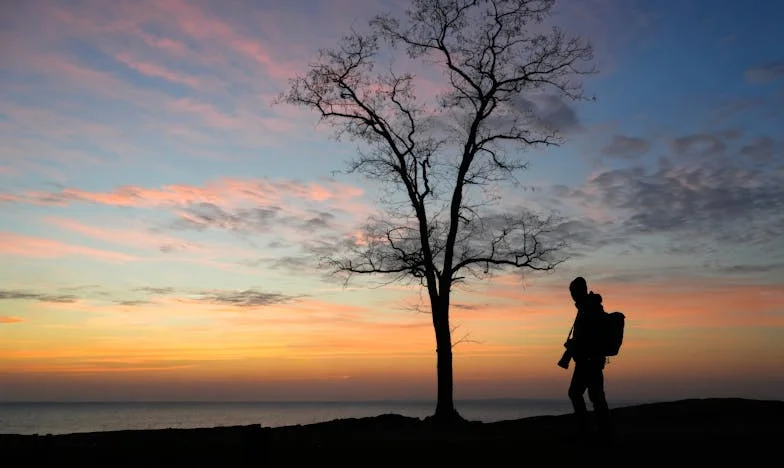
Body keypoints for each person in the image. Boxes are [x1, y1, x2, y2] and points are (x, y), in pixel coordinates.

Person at [563, 276, 612, 438]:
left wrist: (574, 346)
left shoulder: (588, 309)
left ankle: (588, 429)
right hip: (592, 359)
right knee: (596, 396)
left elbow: (587, 336)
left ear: (579, 291)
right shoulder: (589, 307)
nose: (571, 296)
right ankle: (601, 430)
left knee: (578, 393)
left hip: (588, 360)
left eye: (573, 292)